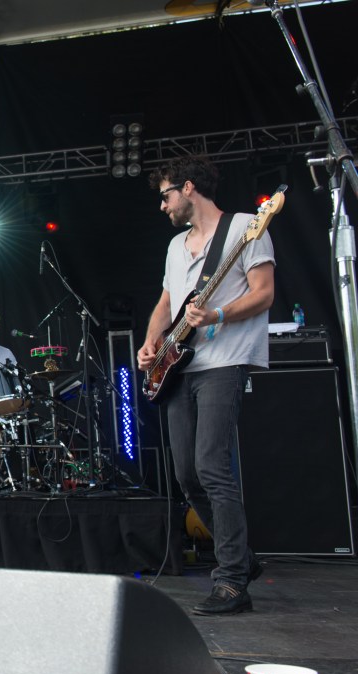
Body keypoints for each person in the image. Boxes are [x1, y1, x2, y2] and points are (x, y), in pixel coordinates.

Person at [137, 155, 274, 616]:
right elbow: (167, 301)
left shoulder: (245, 228)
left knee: (212, 467)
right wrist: (152, 342)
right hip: (178, 368)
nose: (162, 206)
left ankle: (232, 580)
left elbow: (264, 293)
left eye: (165, 195)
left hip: (224, 362)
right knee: (187, 476)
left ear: (189, 188)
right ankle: (243, 558)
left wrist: (218, 314)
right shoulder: (176, 245)